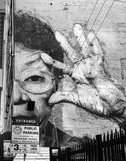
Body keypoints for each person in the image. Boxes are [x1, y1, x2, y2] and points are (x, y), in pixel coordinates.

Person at [13, 11, 126, 147]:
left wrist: (122, 113)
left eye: (34, 78)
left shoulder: (78, 146)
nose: (16, 96)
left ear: (57, 86)